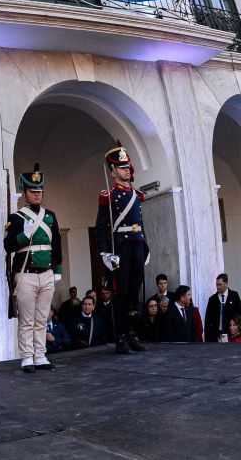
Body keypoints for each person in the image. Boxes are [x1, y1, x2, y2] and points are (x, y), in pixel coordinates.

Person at [4, 162, 62, 372]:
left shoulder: (50, 216)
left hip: (46, 273)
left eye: (40, 191)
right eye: (33, 191)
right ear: (25, 192)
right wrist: (23, 235)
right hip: (26, 273)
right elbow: (7, 246)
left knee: (42, 317)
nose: (37, 194)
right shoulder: (17, 218)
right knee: (27, 319)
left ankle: (40, 355)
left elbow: (56, 244)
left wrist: (57, 270)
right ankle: (27, 356)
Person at [95, 140, 149, 354]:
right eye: (123, 168)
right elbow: (101, 228)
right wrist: (106, 253)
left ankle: (132, 334)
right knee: (122, 293)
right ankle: (120, 338)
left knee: (134, 292)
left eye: (128, 167)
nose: (128, 170)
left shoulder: (136, 194)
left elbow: (142, 223)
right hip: (121, 247)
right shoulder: (108, 196)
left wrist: (146, 246)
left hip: (137, 246)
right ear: (113, 171)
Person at [204, 274, 241, 343]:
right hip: (216, 334)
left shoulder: (234, 296)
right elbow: (208, 320)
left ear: (226, 284)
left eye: (220, 284)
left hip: (231, 333)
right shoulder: (212, 299)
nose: (217, 287)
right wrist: (207, 339)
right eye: (216, 285)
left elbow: (239, 314)